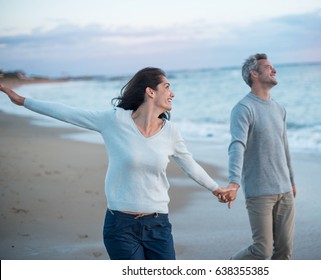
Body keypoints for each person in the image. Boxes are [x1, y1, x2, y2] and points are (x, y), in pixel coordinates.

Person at [0, 67, 234, 260]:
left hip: (158, 225)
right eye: (167, 87)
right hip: (121, 225)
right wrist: (22, 101)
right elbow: (68, 112)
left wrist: (216, 189)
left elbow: (190, 164)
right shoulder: (113, 120)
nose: (173, 93)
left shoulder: (171, 132)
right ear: (150, 92)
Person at [226, 54, 296, 260]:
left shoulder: (279, 108)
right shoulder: (243, 108)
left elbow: (285, 147)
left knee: (284, 252)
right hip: (259, 192)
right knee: (261, 251)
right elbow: (237, 145)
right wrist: (233, 182)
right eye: (268, 67)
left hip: (285, 190)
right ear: (254, 74)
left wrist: (291, 181)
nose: (274, 71)